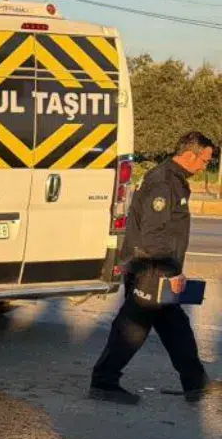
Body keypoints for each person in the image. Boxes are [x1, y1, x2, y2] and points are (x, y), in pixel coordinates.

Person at [92, 131, 217, 405]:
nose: (205, 166)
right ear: (190, 155)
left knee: (176, 327)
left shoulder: (174, 180)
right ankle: (103, 382)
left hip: (159, 268)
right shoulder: (162, 182)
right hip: (150, 269)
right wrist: (172, 272)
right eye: (205, 161)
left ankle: (195, 382)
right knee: (131, 328)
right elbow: (153, 234)